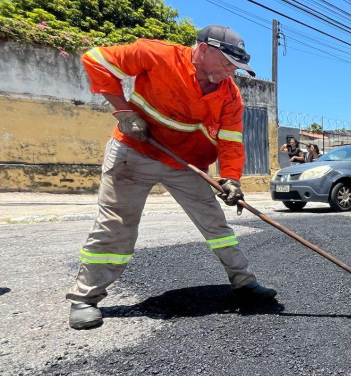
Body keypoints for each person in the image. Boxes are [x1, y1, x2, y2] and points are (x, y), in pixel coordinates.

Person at [66, 25, 279, 330]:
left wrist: (231, 179)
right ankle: (85, 298)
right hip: (135, 152)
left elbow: (231, 141)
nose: (230, 72)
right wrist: (123, 112)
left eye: (235, 67)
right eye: (226, 64)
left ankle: (244, 284)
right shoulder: (157, 55)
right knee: (116, 226)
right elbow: (95, 58)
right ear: (204, 50)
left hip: (187, 164)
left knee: (216, 225)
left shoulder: (230, 94)